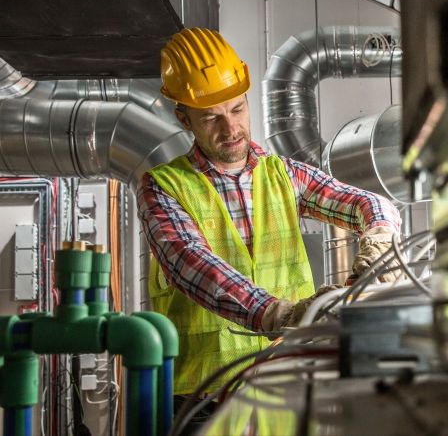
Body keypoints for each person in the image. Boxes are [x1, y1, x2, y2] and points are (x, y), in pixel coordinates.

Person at [136, 27, 402, 403]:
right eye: (211, 118)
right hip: (204, 394)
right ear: (184, 119)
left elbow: (366, 203)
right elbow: (191, 264)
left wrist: (379, 237)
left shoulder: (284, 174)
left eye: (237, 109)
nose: (231, 128)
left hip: (287, 381)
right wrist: (284, 314)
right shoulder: (163, 187)